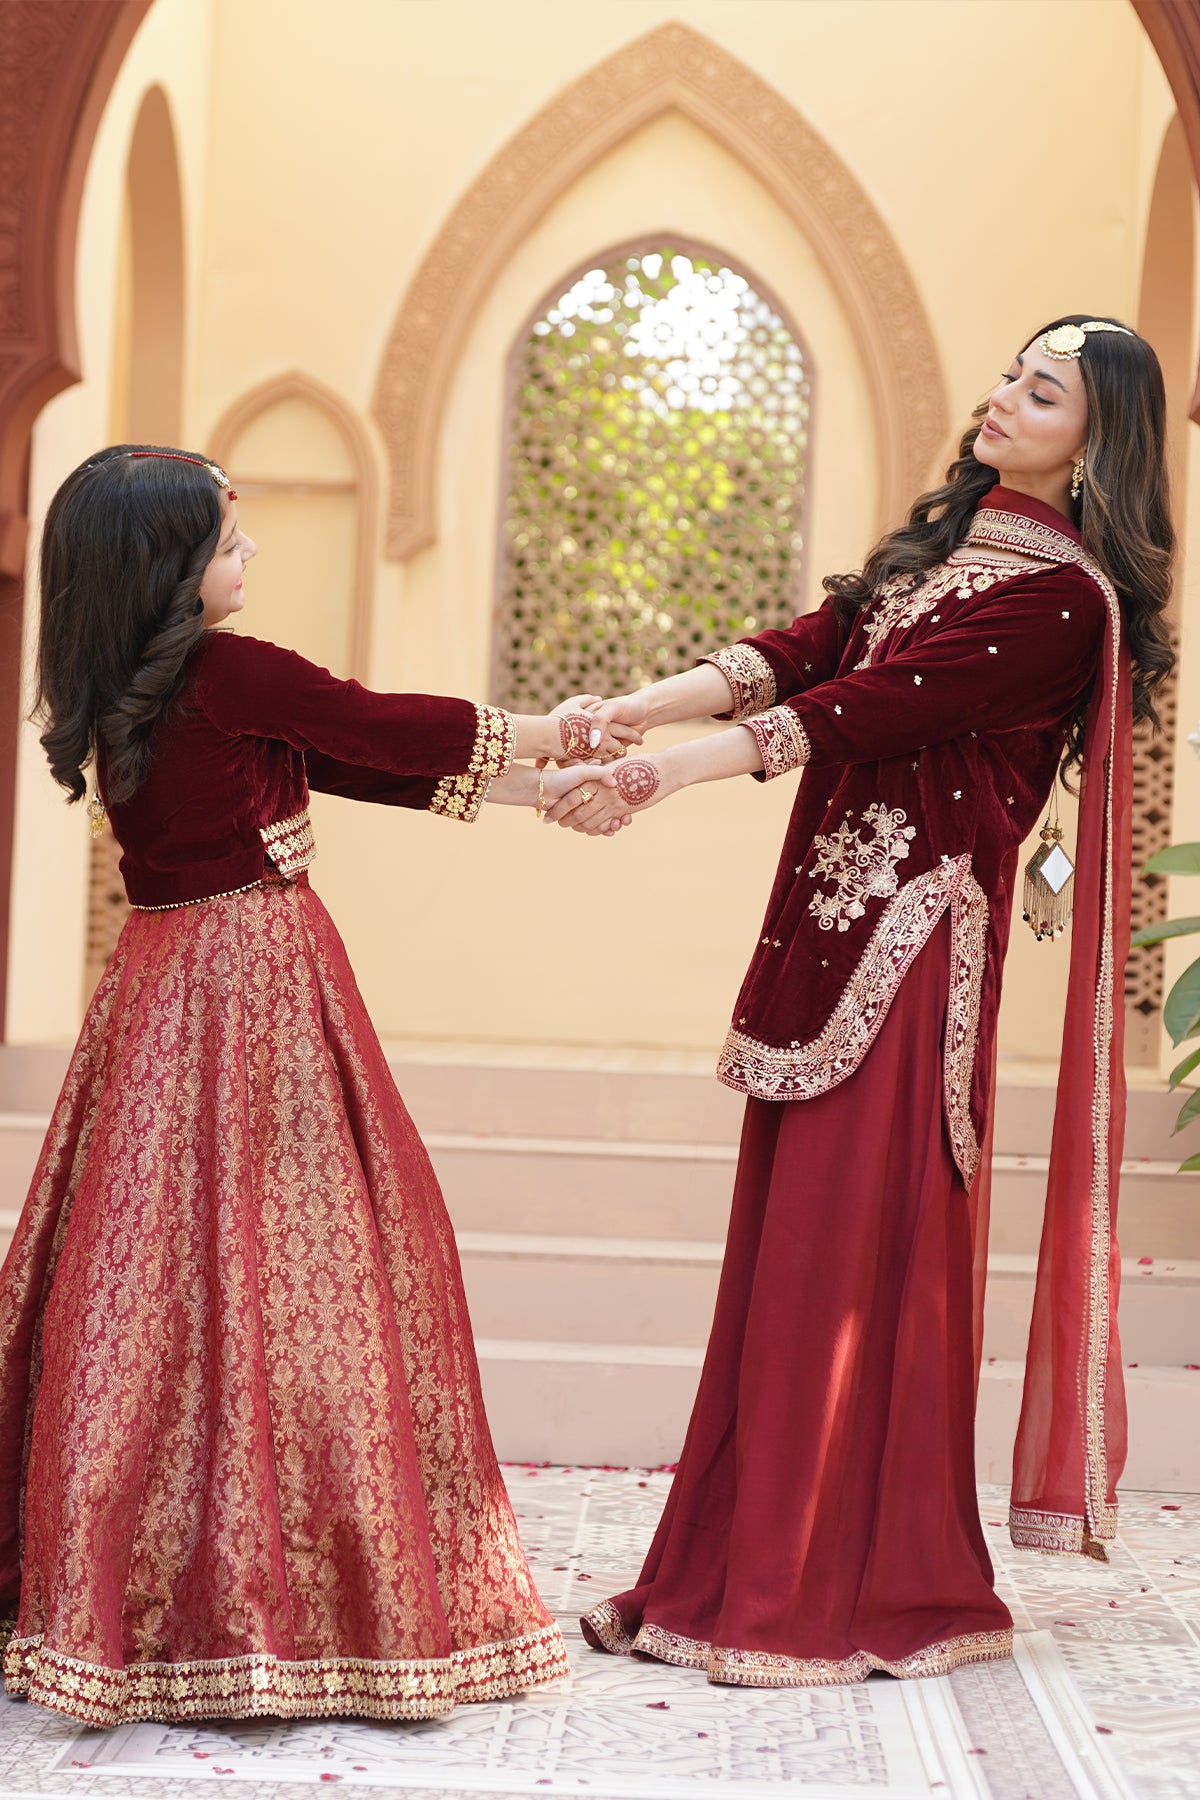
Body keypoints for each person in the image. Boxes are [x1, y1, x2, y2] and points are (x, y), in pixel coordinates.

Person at [549, 316, 1175, 1685]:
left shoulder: (1065, 602)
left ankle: (836, 1578)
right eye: (1011, 375)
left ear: (1097, 441)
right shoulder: (943, 547)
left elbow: (871, 707)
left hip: (910, 949)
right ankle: (734, 1565)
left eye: (1043, 393)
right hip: (829, 926)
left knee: (843, 1253)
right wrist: (635, 710)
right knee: (785, 1252)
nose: (1004, 400)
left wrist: (663, 777)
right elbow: (805, 649)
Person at [0, 444, 639, 1727]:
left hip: (157, 989)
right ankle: (276, 1597)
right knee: (310, 1261)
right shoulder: (230, 669)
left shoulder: (134, 683)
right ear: (167, 567)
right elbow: (380, 723)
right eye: (227, 540)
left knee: (157, 1270)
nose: (250, 554)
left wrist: (547, 789)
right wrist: (564, 731)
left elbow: (356, 763)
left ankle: (142, 1584)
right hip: (255, 983)